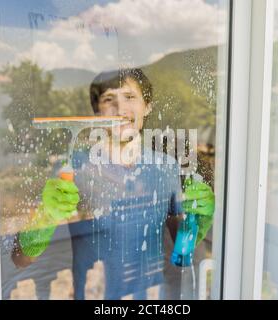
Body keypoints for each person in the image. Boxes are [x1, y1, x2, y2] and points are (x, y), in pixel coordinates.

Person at [11, 68, 215, 299]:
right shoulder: (73, 167)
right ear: (97, 112)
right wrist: (44, 217)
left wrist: (198, 221)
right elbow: (20, 259)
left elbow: (182, 254)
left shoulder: (166, 167)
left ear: (147, 106)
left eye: (129, 97)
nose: (120, 109)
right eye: (109, 99)